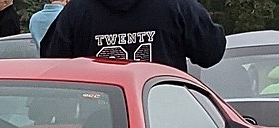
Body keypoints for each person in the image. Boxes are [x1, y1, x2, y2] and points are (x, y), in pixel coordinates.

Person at [39, 0, 225, 72]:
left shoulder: (76, 12)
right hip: (164, 117)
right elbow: (211, 52)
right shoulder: (177, 5)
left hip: (100, 124)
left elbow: (51, 64)